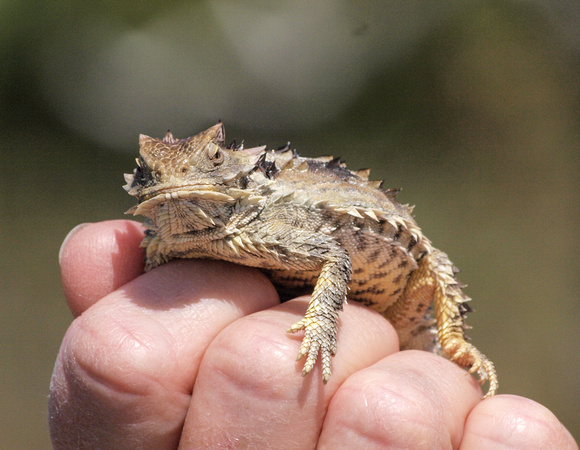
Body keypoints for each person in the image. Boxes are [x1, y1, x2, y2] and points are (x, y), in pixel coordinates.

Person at [49, 220, 577, 449]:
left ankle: (453, 337)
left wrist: (324, 320)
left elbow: (333, 254)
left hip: (400, 293)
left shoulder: (256, 220)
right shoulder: (162, 244)